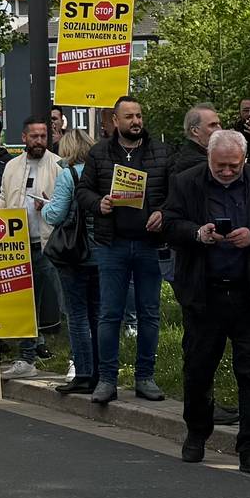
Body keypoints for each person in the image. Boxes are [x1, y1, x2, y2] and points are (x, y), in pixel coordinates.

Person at [165, 129, 250, 477]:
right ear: (208, 158)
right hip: (205, 294)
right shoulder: (186, 182)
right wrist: (196, 233)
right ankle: (197, 432)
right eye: (221, 166)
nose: (228, 172)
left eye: (234, 165)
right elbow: (169, 224)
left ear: (244, 159)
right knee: (198, 369)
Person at [79, 96, 173, 404]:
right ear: (115, 121)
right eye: (129, 116)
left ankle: (145, 377)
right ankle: (107, 379)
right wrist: (99, 203)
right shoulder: (99, 153)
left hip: (149, 243)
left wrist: (163, 212)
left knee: (149, 313)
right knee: (109, 314)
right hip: (112, 245)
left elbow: (176, 194)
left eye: (139, 115)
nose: (136, 121)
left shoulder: (161, 152)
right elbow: (83, 191)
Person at [0, 116, 63, 378]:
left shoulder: (58, 165)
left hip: (49, 244)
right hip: (19, 246)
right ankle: (26, 359)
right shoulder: (12, 166)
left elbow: (67, 204)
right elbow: (5, 199)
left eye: (43, 136)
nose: (39, 141)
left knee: (61, 301)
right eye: (34, 136)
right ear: (24, 137)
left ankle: (75, 359)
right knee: (25, 304)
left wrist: (49, 205)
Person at [44, 132, 98, 395]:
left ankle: (84, 372)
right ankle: (103, 372)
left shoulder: (69, 175)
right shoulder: (102, 173)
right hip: (102, 252)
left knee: (77, 315)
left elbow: (55, 215)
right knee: (99, 315)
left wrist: (44, 206)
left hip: (74, 253)